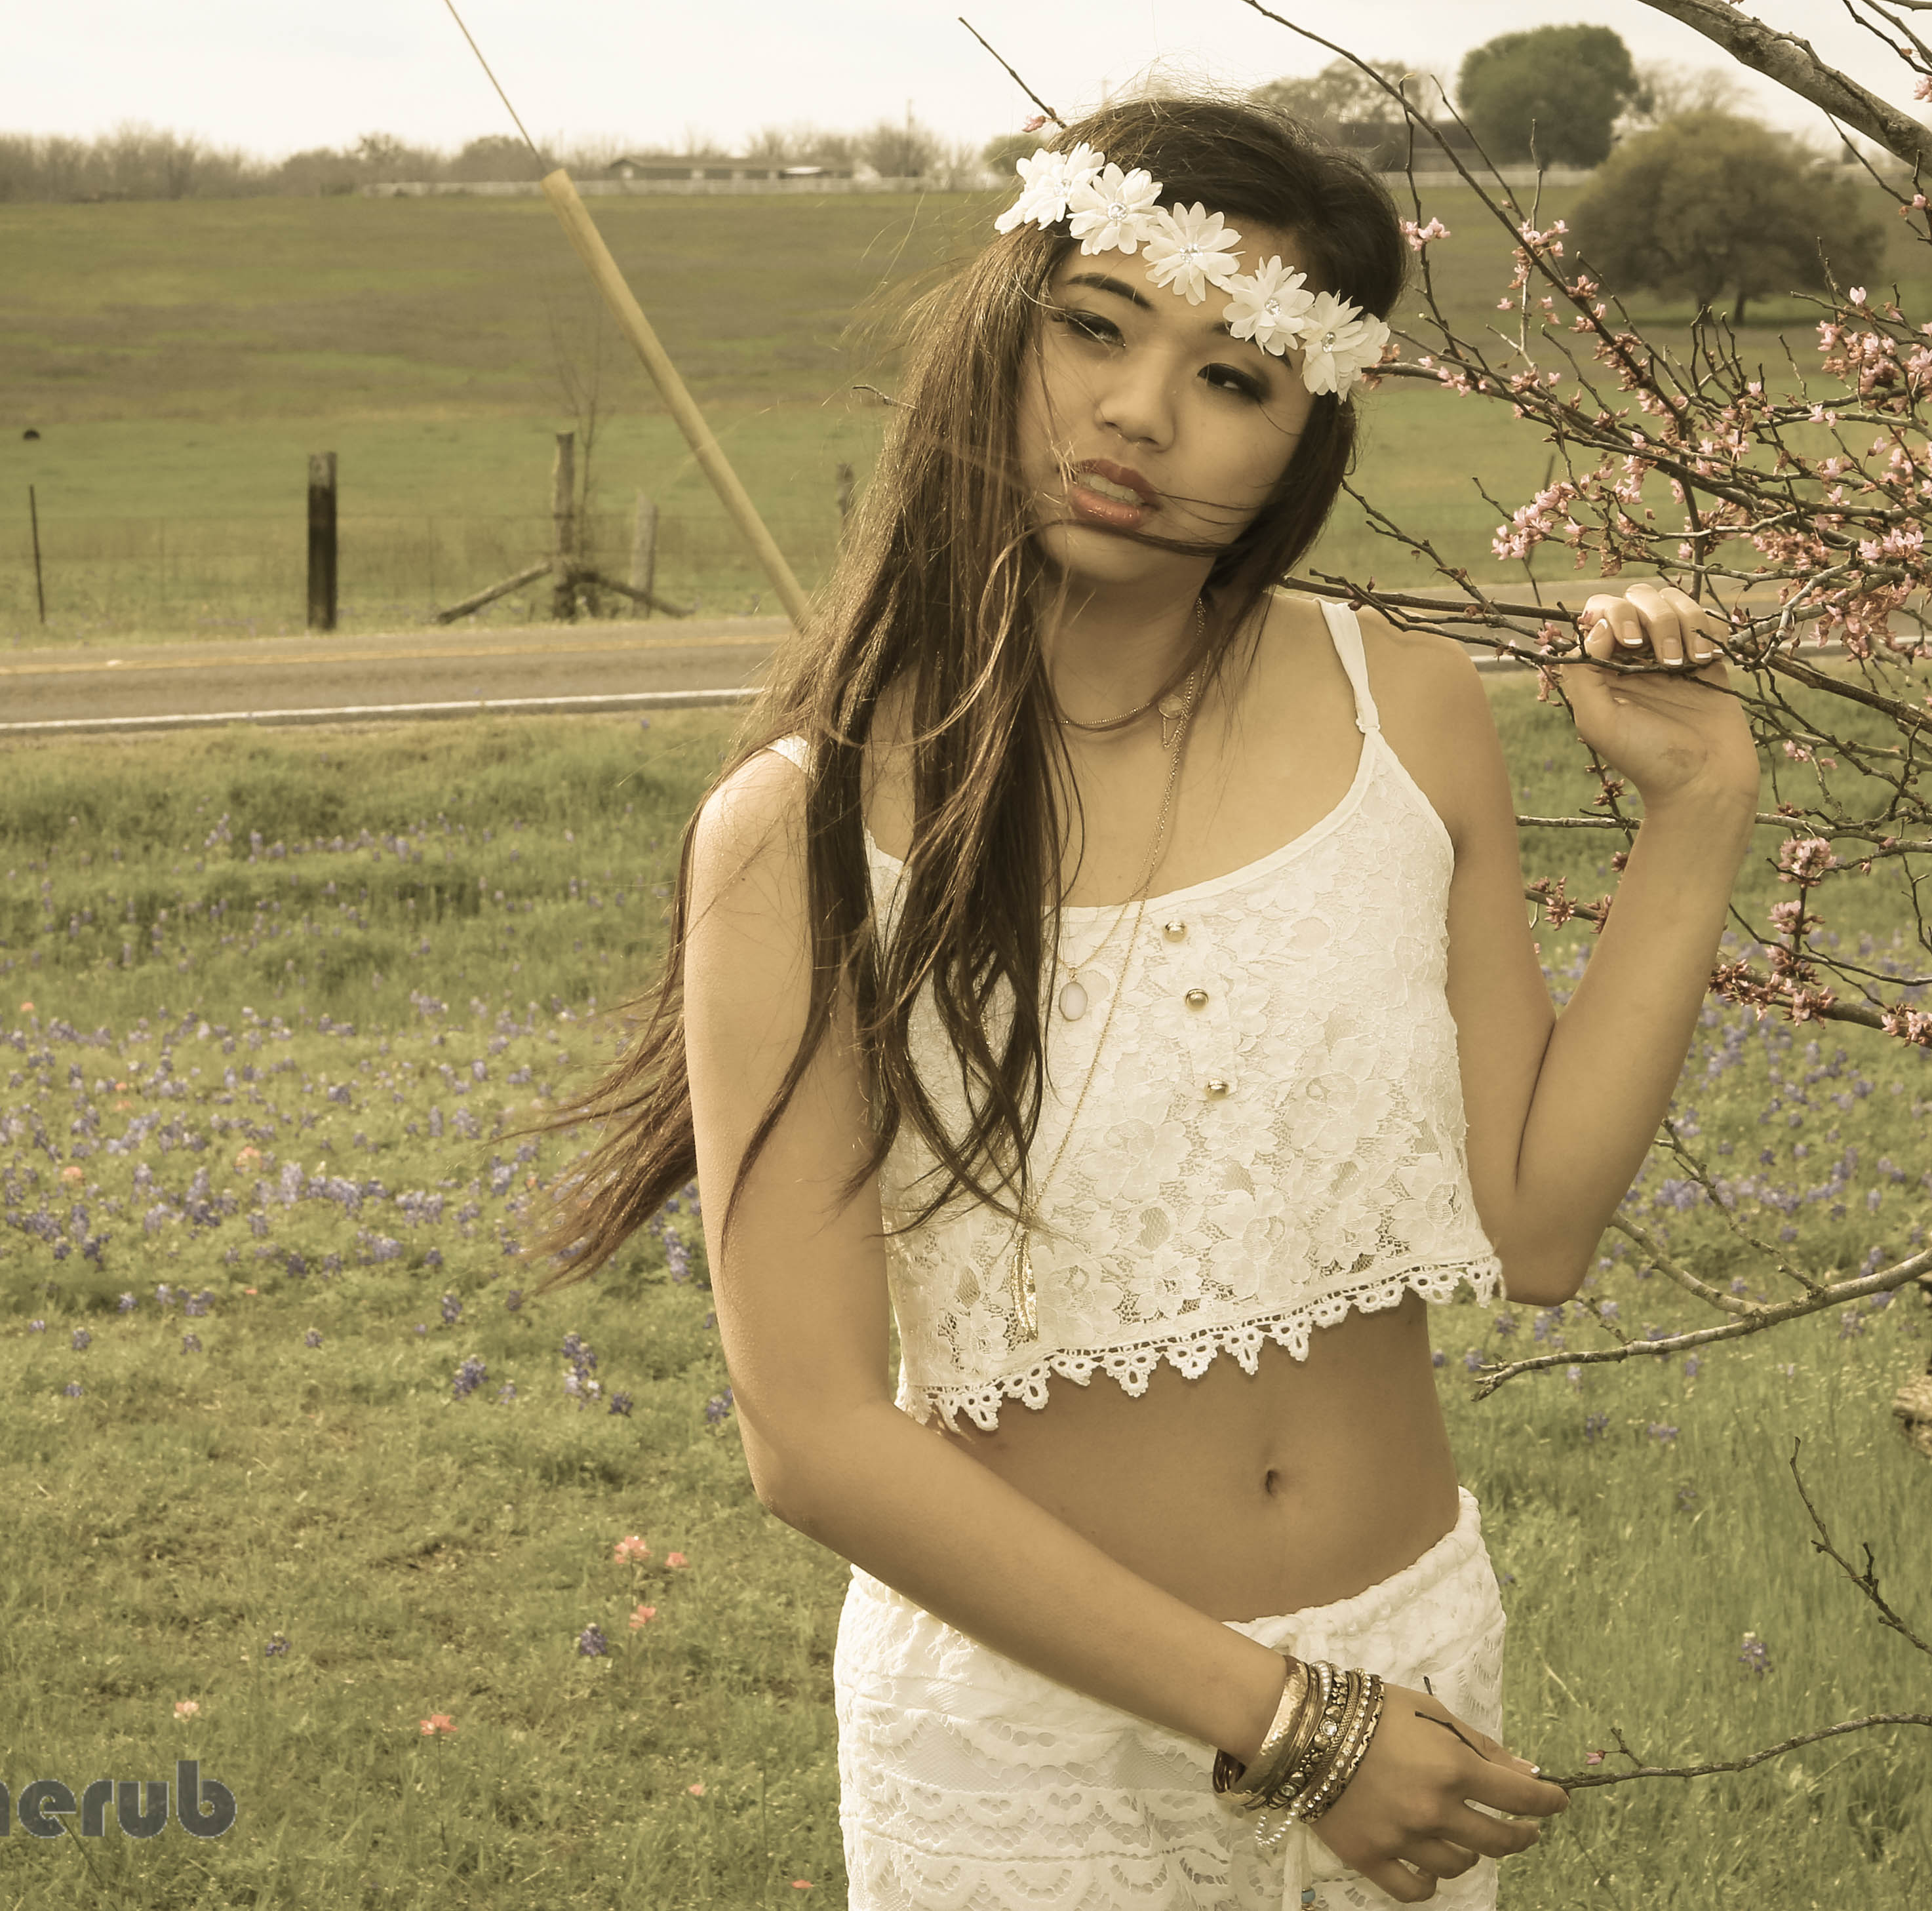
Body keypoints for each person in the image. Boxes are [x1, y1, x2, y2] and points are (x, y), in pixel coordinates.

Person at [532, 96, 1759, 1906]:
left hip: (1410, 1667)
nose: (1139, 414)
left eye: (1234, 378)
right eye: (1097, 328)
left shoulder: (1407, 712)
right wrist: (1291, 1724)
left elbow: (1538, 1226)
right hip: (1034, 1742)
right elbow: (812, 1434)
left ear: (1304, 434)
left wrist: (1698, 813)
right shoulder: (796, 831)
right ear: (1002, 329)